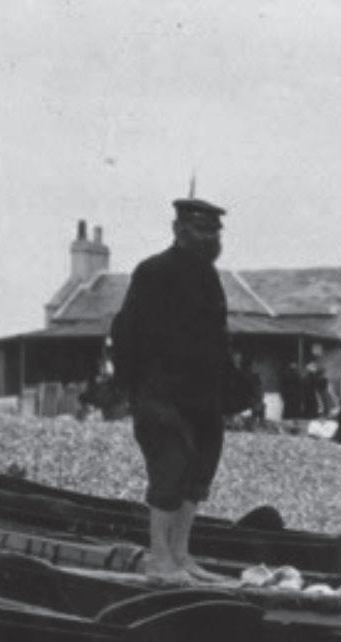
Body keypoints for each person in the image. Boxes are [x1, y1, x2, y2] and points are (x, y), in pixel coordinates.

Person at [107, 195, 238, 584]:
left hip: (203, 392)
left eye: (214, 231)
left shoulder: (210, 277)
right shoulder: (154, 271)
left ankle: (180, 554)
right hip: (161, 390)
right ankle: (159, 559)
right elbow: (125, 332)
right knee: (170, 467)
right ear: (178, 229)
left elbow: (218, 338)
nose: (209, 237)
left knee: (199, 470)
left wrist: (231, 386)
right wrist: (134, 387)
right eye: (200, 229)